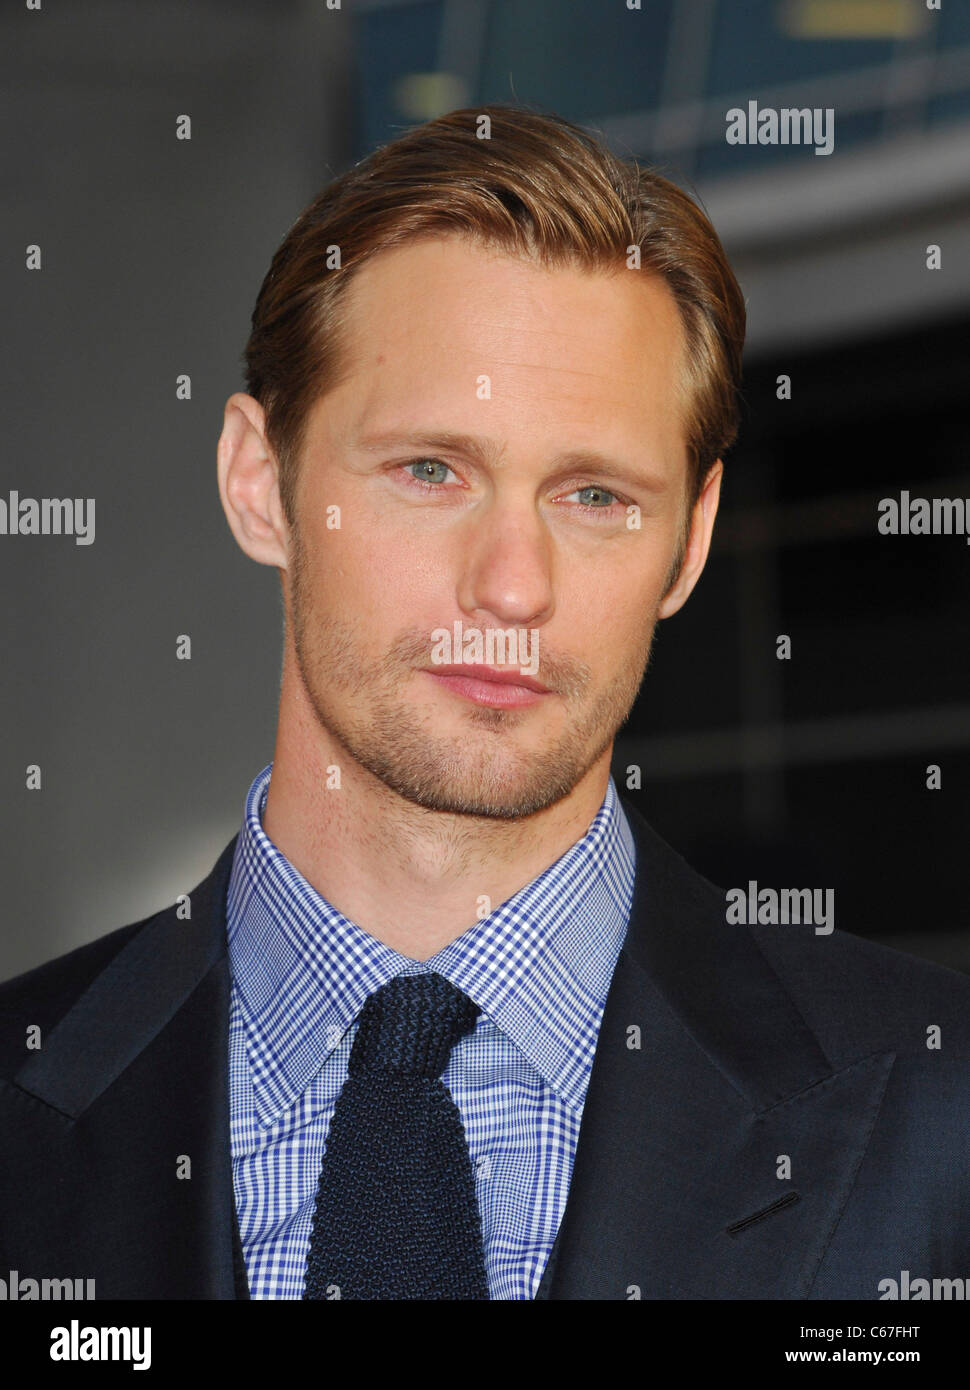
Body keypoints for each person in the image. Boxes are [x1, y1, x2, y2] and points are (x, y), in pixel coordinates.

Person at [2, 104, 969, 1302]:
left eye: (596, 495)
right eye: (429, 471)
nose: (510, 584)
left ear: (689, 541)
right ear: (262, 484)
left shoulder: (941, 1120)